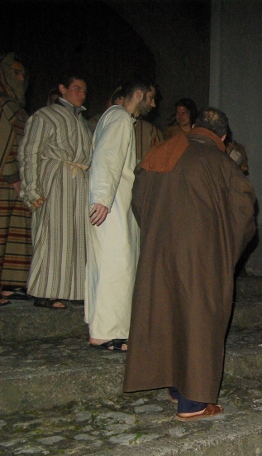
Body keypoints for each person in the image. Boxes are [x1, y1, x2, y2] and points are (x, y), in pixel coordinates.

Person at [124, 107, 255, 421]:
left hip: (159, 252)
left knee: (167, 314)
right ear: (223, 137)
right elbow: (243, 214)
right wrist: (225, 251)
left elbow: (138, 199)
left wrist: (157, 232)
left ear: (195, 126)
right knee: (198, 320)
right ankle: (192, 402)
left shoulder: (161, 151)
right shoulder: (221, 162)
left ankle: (173, 386)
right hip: (200, 255)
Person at [85, 77, 156, 351]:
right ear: (138, 94)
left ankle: (102, 327)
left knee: (109, 264)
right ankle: (107, 332)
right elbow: (107, 158)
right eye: (150, 98)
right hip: (111, 204)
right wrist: (102, 198)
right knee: (117, 265)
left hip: (113, 201)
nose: (153, 104)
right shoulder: (120, 119)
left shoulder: (114, 117)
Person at [18, 71, 93, 309]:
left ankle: (73, 290)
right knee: (51, 234)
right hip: (54, 180)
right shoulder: (45, 116)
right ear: (62, 89)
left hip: (78, 182)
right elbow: (29, 152)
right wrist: (32, 189)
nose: (81, 94)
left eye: (84, 90)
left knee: (75, 236)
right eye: (76, 89)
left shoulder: (82, 121)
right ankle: (45, 292)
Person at [0, 53, 31, 306]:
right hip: (5, 179)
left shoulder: (15, 106)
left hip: (17, 179)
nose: (20, 78)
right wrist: (11, 175)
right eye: (15, 73)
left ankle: (9, 285)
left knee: (13, 235)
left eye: (22, 73)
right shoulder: (3, 106)